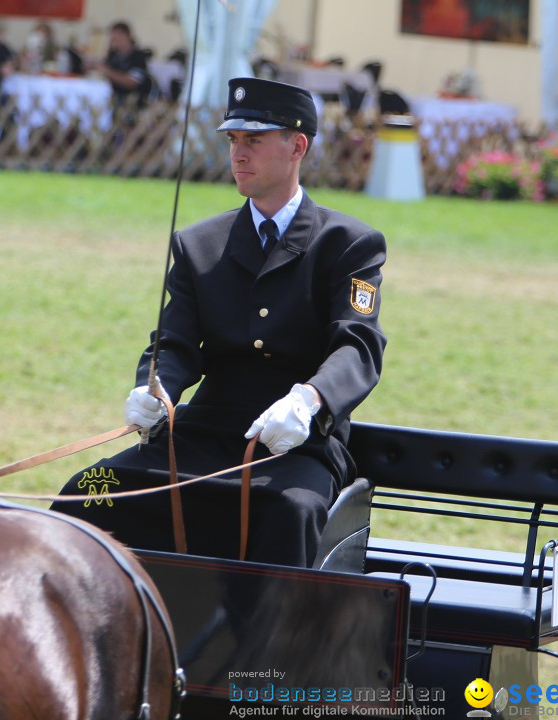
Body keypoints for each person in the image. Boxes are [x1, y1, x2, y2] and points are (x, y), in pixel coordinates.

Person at [51, 78, 387, 567]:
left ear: (297, 146)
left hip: (294, 441)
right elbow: (176, 341)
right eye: (233, 140)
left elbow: (356, 346)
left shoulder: (348, 244)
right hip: (202, 433)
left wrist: (308, 400)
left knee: (290, 511)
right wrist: (157, 389)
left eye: (254, 140)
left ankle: (262, 645)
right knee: (90, 492)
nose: (239, 154)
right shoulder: (199, 244)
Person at [89, 21, 151, 106]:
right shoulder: (113, 56)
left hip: (130, 104)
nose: (114, 43)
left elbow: (131, 82)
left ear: (127, 36)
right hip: (111, 100)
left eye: (116, 39)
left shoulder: (138, 57)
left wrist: (106, 71)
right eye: (112, 40)